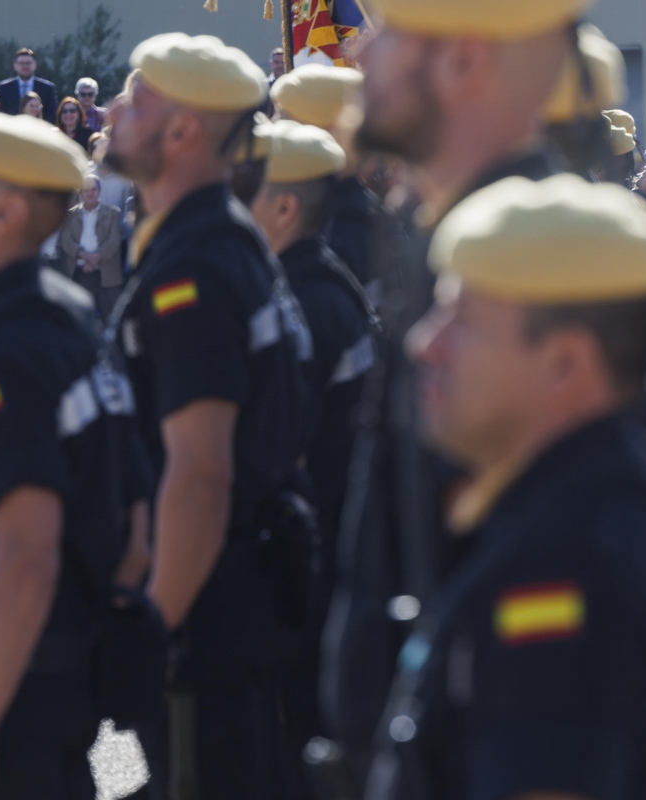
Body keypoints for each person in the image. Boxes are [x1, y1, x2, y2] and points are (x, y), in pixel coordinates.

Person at [366, 171, 646, 799]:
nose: (426, 345)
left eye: (462, 320)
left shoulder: (568, 558)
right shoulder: (596, 506)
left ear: (565, 364)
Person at [322, 0, 592, 778]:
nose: (362, 54)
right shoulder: (448, 238)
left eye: (389, 32)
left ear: (466, 61)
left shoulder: (528, 266)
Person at [0, 110, 152, 800]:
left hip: (9, 698)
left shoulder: (4, 349)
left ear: (7, 212)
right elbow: (134, 517)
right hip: (54, 680)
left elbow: (25, 555)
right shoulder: (64, 315)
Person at [105, 33, 310, 798]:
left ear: (184, 130)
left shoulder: (193, 265)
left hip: (202, 617)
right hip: (233, 601)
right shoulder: (221, 242)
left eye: (135, 98)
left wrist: (153, 626)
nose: (115, 112)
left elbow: (200, 470)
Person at [247, 118, 378, 797]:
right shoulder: (311, 283)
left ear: (285, 207)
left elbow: (280, 445)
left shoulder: (304, 298)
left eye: (249, 187)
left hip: (306, 563)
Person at [270, 63, 408, 303]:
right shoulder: (340, 209)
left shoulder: (349, 225)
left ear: (327, 134)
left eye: (283, 117)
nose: (271, 128)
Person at [57, 174, 122, 321]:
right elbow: (66, 241)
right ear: (80, 194)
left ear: (99, 191)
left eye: (93, 189)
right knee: (80, 321)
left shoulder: (112, 213)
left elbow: (114, 241)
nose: (90, 193)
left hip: (105, 275)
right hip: (79, 274)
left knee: (113, 320)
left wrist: (94, 260)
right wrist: (85, 256)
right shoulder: (71, 214)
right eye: (86, 190)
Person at [0, 48, 58, 123]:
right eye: (21, 63)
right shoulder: (5, 87)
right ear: (15, 66)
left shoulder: (47, 88)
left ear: (35, 65)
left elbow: (51, 116)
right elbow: (1, 114)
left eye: (28, 63)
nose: (25, 66)